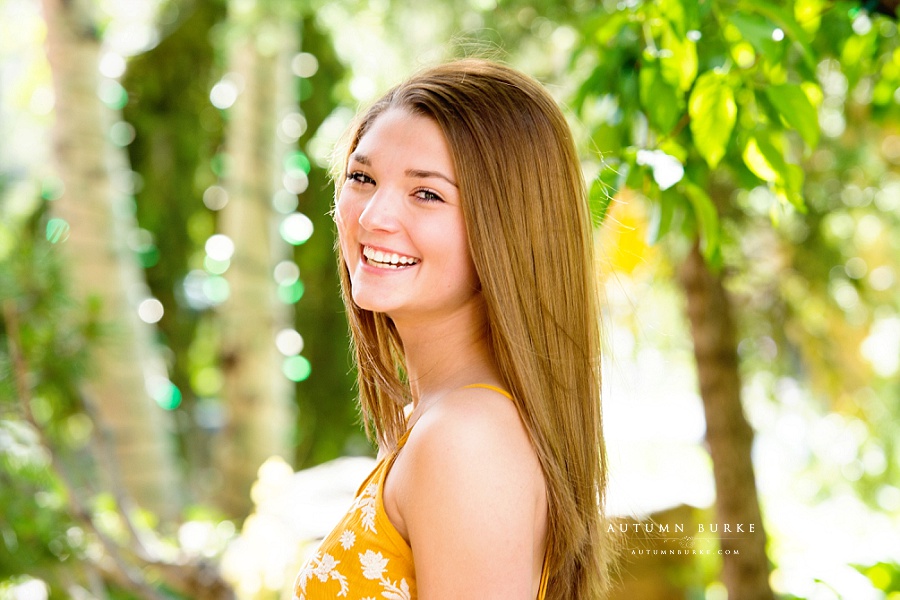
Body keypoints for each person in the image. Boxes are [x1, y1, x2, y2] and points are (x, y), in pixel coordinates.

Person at [293, 58, 613, 599]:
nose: (372, 217)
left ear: (509, 230)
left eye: (427, 194)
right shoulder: (435, 417)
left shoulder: (466, 439)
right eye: (361, 177)